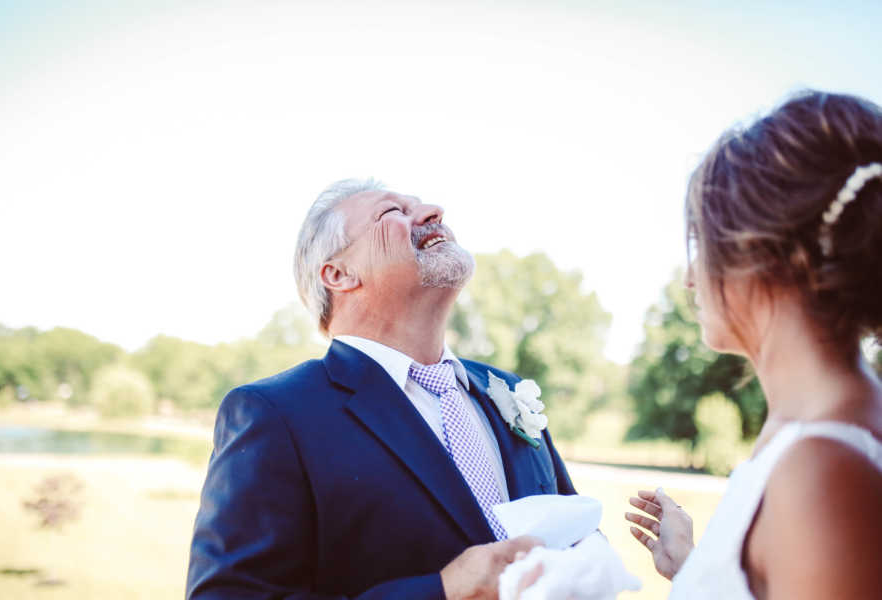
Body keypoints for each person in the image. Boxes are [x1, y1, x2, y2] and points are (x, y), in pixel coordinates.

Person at [186, 178, 576, 599]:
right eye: (392, 213)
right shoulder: (276, 415)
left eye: (420, 206)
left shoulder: (508, 393)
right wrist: (442, 591)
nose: (432, 212)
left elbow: (571, 537)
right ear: (338, 274)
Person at [625, 90, 882, 598]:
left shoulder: (823, 469)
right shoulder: (813, 428)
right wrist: (697, 571)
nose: (691, 280)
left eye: (702, 243)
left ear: (761, 256)